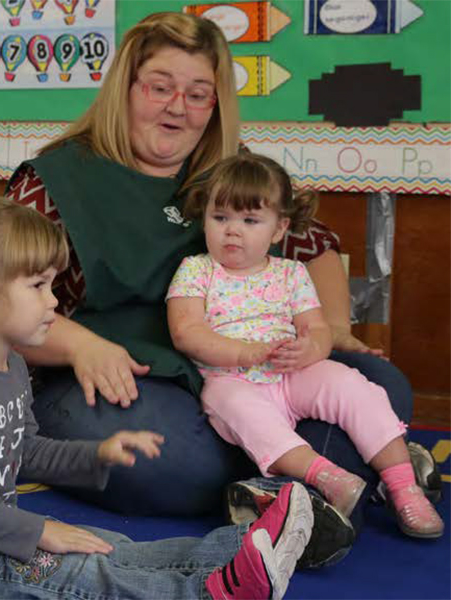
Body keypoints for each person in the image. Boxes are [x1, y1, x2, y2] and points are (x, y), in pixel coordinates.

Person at [5, 11, 425, 531]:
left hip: (243, 368)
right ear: (126, 88)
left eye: (199, 94)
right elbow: (5, 307)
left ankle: (276, 488)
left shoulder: (228, 167)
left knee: (380, 382)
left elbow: (316, 244)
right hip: (113, 375)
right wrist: (78, 345)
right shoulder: (52, 181)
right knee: (178, 461)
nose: (177, 108)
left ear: (216, 104)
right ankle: (330, 476)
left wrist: (334, 328)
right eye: (160, 87)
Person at [0, 196, 313, 600]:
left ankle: (246, 547)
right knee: (80, 575)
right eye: (37, 286)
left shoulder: (10, 364)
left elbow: (24, 449)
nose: (53, 301)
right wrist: (39, 532)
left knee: (108, 547)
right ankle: (209, 591)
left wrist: (95, 455)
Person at [166, 153, 443, 539]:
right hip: (235, 379)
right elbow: (187, 332)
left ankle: (403, 486)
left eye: (249, 221)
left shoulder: (290, 272)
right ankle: (328, 477)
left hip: (292, 371)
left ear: (278, 229)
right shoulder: (196, 270)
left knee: (354, 387)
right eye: (220, 218)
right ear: (205, 219)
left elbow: (317, 329)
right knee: (233, 406)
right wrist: (245, 352)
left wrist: (310, 349)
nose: (232, 231)